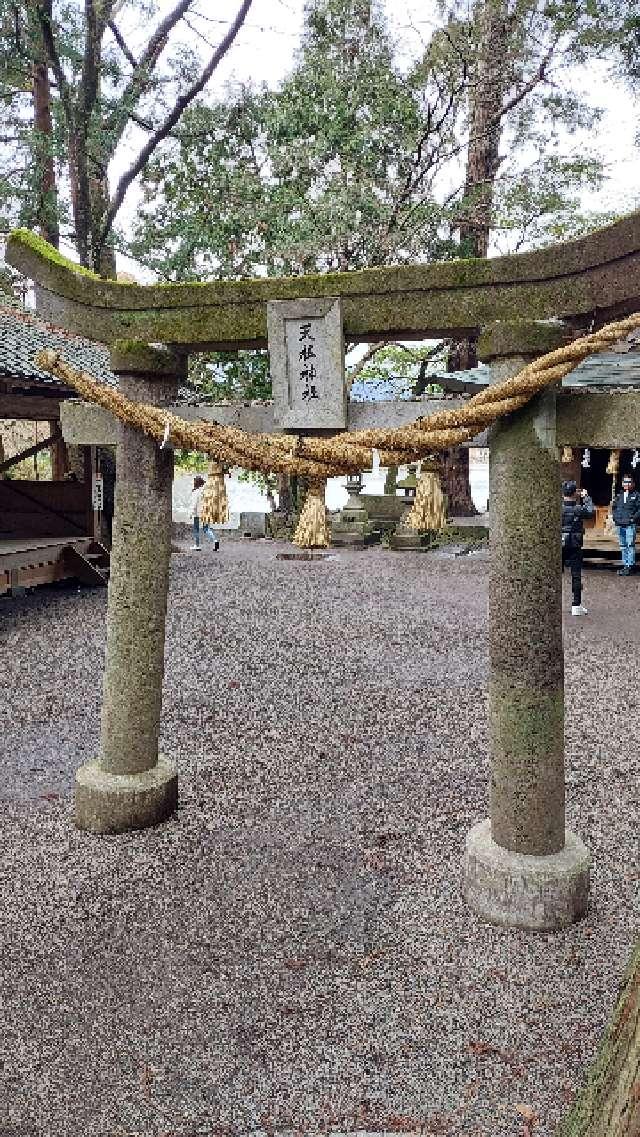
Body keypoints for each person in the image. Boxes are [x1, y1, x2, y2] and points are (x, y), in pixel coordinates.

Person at [561, 480, 594, 616]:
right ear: (575, 493)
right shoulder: (578, 509)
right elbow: (591, 511)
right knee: (576, 575)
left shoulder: (558, 508)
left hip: (560, 543)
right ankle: (576, 605)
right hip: (575, 544)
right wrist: (586, 497)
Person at [611, 474, 640, 576]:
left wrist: (633, 518)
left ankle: (630, 566)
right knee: (623, 545)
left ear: (633, 484)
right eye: (625, 482)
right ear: (622, 483)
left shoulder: (636, 495)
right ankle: (625, 565)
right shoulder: (619, 495)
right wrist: (615, 518)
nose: (627, 484)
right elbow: (614, 507)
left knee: (630, 545)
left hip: (630, 525)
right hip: (620, 524)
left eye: (629, 482)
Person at [189, 475, 219, 551]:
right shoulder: (207, 491)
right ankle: (215, 540)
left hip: (198, 513)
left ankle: (197, 545)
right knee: (206, 529)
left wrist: (190, 513)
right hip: (206, 512)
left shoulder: (196, 492)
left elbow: (194, 503)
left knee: (196, 529)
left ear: (196, 483)